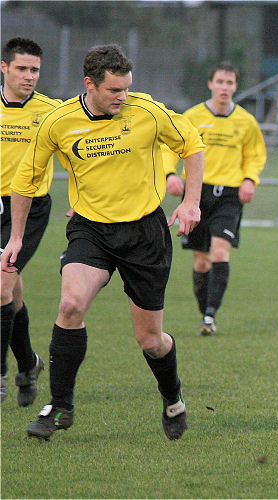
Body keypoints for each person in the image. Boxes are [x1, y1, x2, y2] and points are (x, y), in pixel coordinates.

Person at [1, 44, 205, 441]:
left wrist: (192, 202)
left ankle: (172, 395)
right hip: (90, 229)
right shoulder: (58, 122)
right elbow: (25, 180)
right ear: (89, 84)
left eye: (127, 89)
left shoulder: (146, 111)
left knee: (151, 340)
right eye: (114, 91)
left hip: (144, 233)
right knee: (70, 304)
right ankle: (60, 406)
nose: (123, 97)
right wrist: (17, 238)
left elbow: (192, 144)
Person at [163, 61, 266, 336]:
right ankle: (205, 311)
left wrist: (249, 179)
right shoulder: (193, 116)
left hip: (230, 195)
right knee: (201, 261)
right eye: (220, 81)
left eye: (230, 83)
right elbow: (171, 147)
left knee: (220, 251)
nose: (224, 87)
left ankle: (210, 316)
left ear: (235, 86)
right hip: (198, 193)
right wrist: (170, 174)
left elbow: (255, 155)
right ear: (211, 84)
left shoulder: (246, 121)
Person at [0, 38, 60, 407]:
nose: (29, 76)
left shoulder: (51, 112)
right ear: (3, 68)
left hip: (29, 209)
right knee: (11, 291)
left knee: (1, 286)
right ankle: (29, 364)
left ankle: (2, 375)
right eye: (21, 68)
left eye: (34, 69)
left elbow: (79, 153)